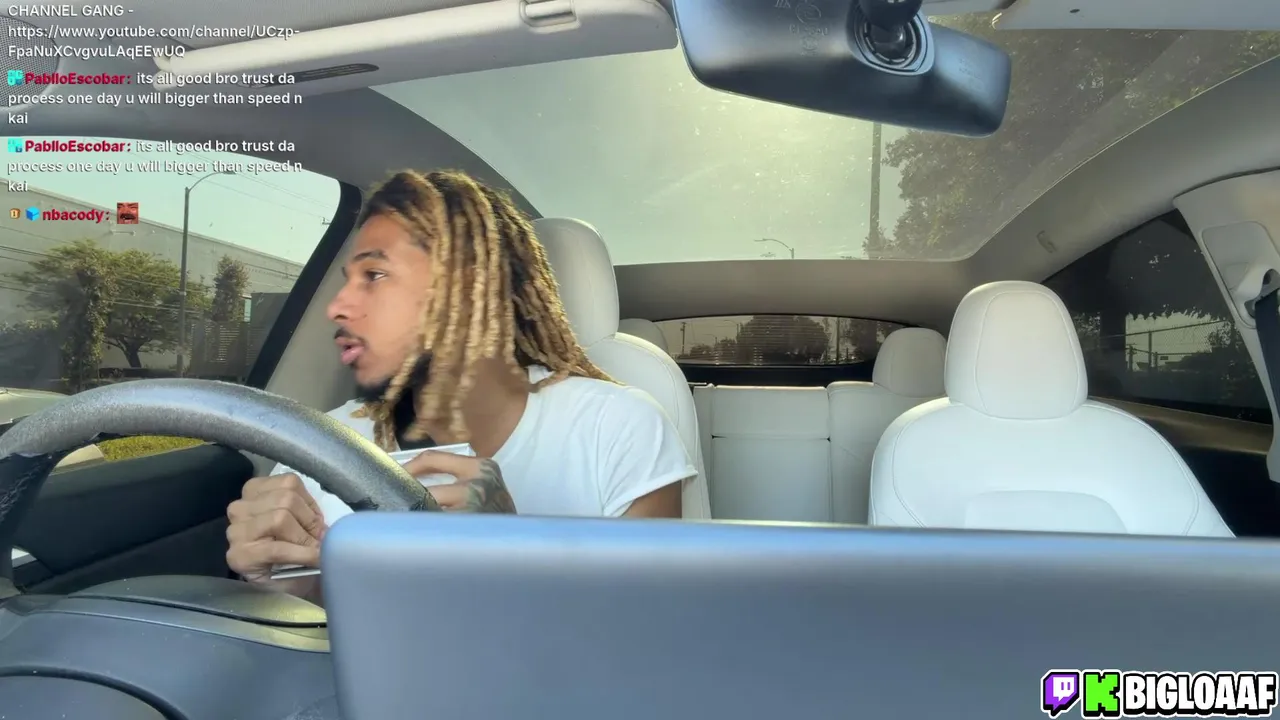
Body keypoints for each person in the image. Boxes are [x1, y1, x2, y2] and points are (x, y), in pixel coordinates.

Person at [226, 169, 696, 601]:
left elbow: (648, 640)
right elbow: (298, 639)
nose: (338, 307)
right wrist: (289, 587)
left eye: (376, 275)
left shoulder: (618, 429)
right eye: (349, 279)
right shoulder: (324, 444)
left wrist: (511, 553)